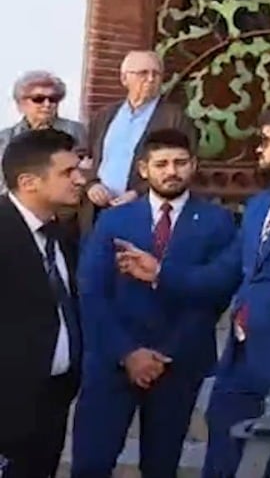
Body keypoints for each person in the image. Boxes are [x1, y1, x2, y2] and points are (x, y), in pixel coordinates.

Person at [115, 105, 270, 478]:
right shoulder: (261, 204)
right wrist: (161, 272)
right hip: (241, 362)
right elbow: (227, 271)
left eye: (265, 139)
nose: (257, 149)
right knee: (221, 462)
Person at [71, 129, 237, 478]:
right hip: (112, 360)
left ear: (193, 166)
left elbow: (218, 290)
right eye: (161, 164)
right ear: (144, 170)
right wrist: (129, 353)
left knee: (161, 466)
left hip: (177, 364)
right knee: (91, 464)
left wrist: (164, 353)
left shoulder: (217, 222)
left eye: (180, 163)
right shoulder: (115, 220)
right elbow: (91, 291)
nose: (171, 171)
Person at [0, 129, 86, 478]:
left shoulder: (60, 236)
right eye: (68, 172)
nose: (80, 179)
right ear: (28, 181)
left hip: (51, 401)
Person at [83, 51, 194, 218]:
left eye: (156, 74)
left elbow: (185, 165)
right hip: (97, 209)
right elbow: (85, 158)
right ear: (124, 79)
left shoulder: (174, 118)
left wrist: (138, 192)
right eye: (143, 73)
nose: (150, 79)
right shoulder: (105, 115)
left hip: (143, 209)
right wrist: (91, 185)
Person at [0, 70, 87, 163]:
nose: (47, 104)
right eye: (38, 99)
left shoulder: (73, 130)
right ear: (21, 104)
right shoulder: (6, 137)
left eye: (53, 99)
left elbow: (81, 166)